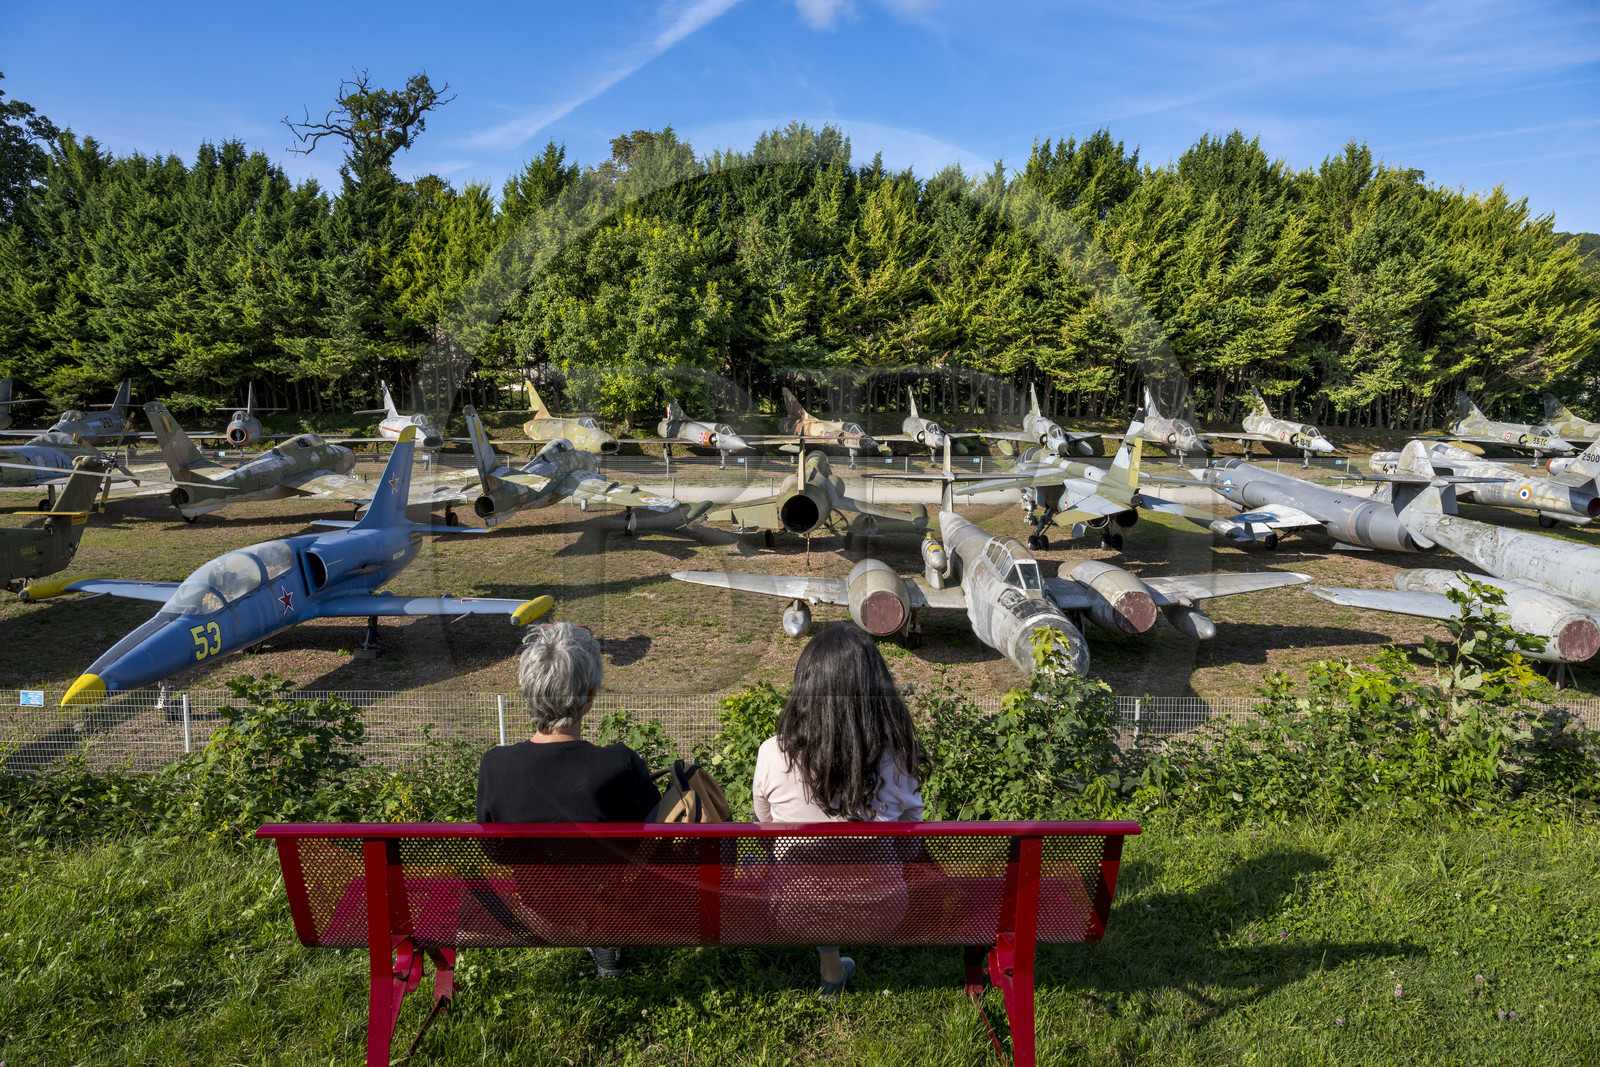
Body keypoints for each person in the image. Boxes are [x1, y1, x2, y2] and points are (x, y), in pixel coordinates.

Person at [751, 625, 929, 996]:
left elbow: (765, 830)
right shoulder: (896, 761)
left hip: (792, 910)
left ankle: (830, 969)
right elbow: (910, 847)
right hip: (882, 909)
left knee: (809, 880)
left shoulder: (773, 753)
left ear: (805, 687)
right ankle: (834, 969)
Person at [476, 622, 660, 977]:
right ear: (590, 696)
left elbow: (494, 850)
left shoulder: (495, 766)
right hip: (606, 908)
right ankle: (605, 941)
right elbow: (651, 835)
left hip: (536, 911)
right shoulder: (618, 764)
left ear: (528, 691)